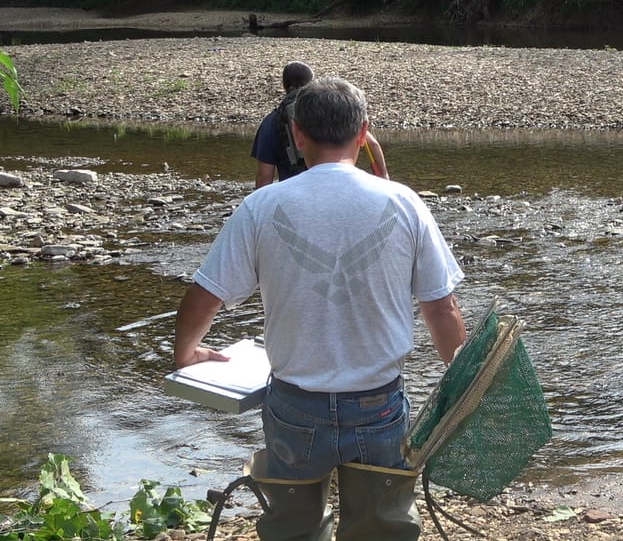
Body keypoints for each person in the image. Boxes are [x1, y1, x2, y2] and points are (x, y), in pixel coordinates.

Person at [175, 77, 467, 541]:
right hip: (379, 404)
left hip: (295, 404)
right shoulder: (404, 202)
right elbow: (441, 309)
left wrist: (187, 352)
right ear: (364, 133)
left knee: (293, 529)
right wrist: (463, 383)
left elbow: (205, 293)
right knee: (382, 529)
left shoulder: (262, 206)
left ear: (297, 136)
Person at [251, 61, 390, 188]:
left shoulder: (270, 122)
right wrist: (384, 178)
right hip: (339, 186)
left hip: (294, 194)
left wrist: (261, 204)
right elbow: (372, 144)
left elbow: (265, 176)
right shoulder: (328, 109)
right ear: (312, 83)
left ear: (284, 86)